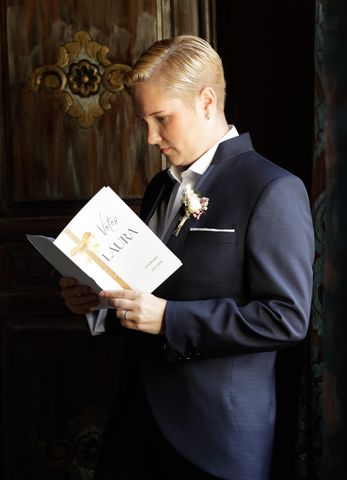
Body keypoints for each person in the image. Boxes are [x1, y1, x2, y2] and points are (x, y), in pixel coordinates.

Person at [58, 35, 314, 480]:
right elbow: (149, 294)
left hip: (215, 437)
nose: (151, 137)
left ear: (207, 101)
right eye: (145, 122)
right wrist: (98, 300)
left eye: (161, 119)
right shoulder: (160, 189)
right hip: (135, 422)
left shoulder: (272, 189)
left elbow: (286, 318)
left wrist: (170, 319)